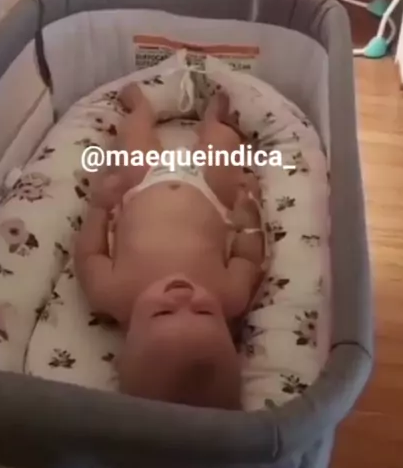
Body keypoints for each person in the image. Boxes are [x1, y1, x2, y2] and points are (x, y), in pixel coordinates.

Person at [74, 83, 268, 409]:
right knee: (225, 145)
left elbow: (89, 253)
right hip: (210, 191)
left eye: (163, 311)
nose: (183, 296)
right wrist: (249, 212)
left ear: (126, 343)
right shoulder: (230, 296)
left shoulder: (112, 294)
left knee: (131, 140)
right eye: (204, 311)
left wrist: (99, 207)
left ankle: (141, 109)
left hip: (139, 186)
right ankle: (213, 122)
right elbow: (247, 256)